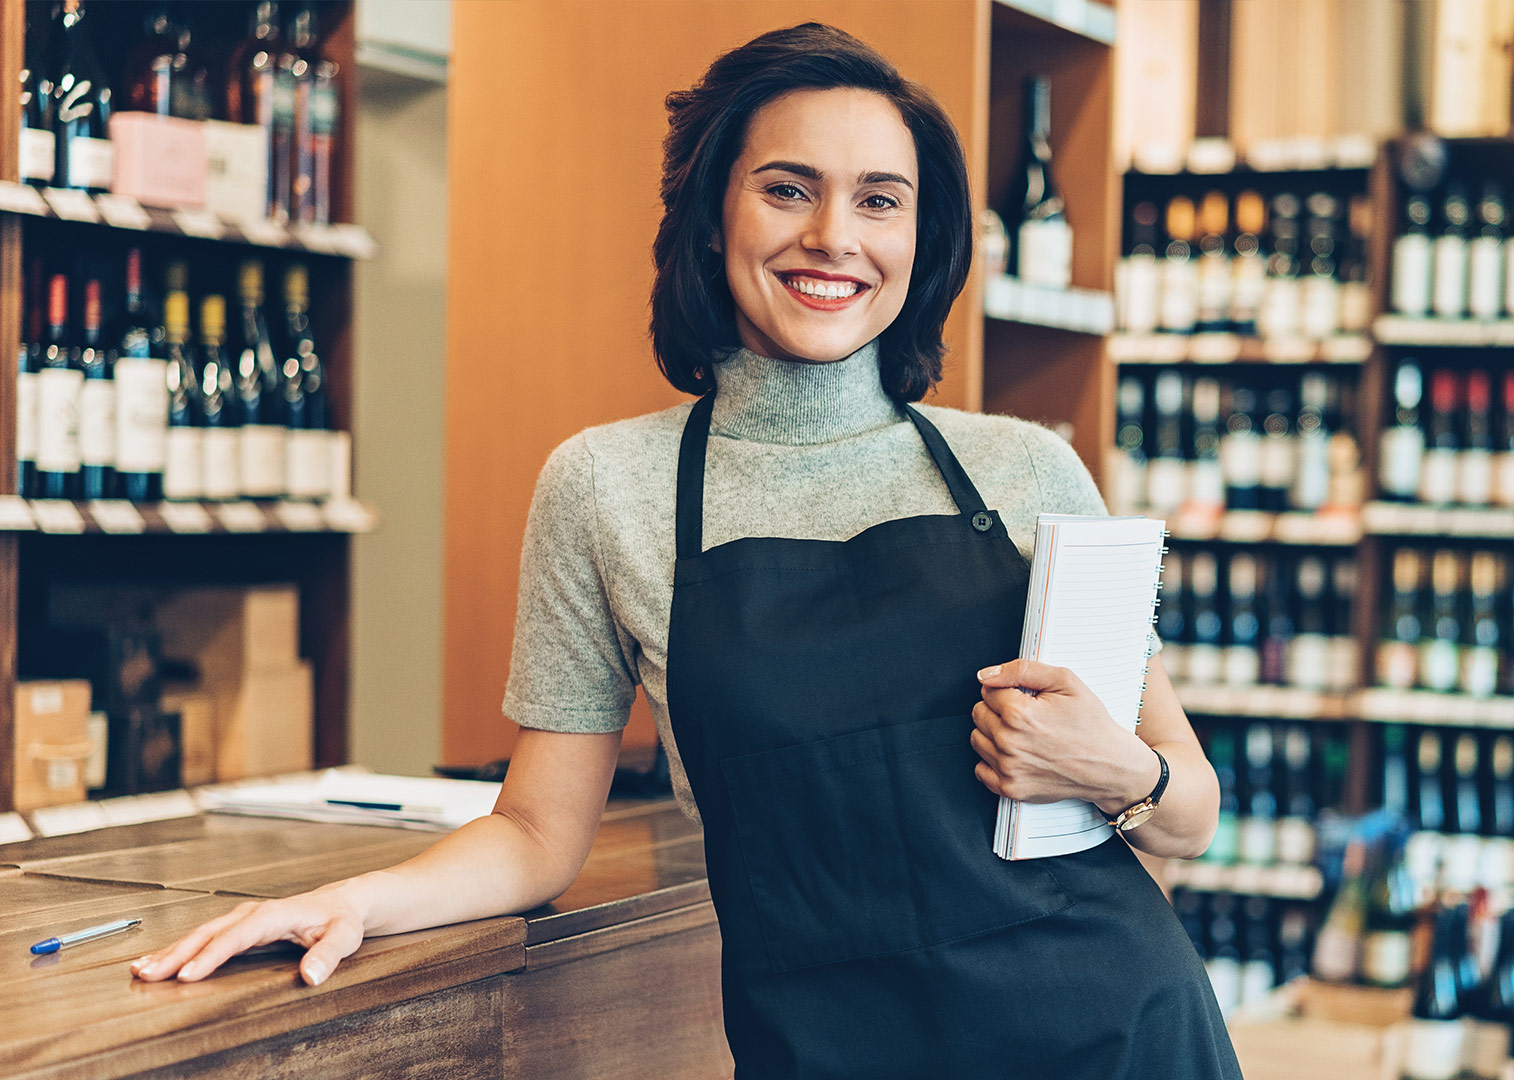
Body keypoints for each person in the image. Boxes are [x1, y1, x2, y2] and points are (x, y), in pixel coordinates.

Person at [129, 23, 1238, 1079]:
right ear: (714, 213)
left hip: (1110, 1034)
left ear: (919, 235)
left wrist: (1121, 773)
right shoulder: (607, 487)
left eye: (879, 201)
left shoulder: (1027, 472)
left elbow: (1190, 807)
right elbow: (535, 832)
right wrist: (361, 901)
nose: (833, 238)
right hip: (831, 1048)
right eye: (788, 188)